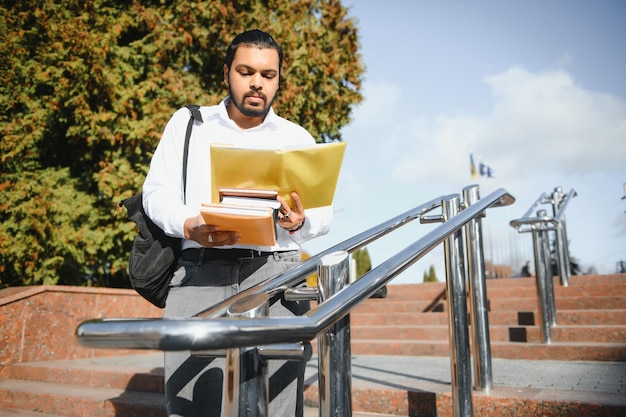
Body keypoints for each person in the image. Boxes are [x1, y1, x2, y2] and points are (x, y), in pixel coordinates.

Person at [142, 29, 333, 417]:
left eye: (268, 75)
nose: (257, 83)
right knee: (189, 404)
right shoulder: (189, 124)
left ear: (278, 79)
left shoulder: (297, 137)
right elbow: (155, 192)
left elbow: (324, 213)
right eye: (246, 72)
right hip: (199, 273)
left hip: (276, 274)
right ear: (227, 72)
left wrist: (300, 220)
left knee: (277, 404)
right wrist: (188, 224)